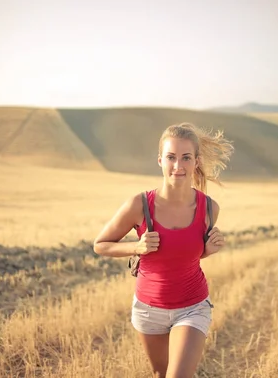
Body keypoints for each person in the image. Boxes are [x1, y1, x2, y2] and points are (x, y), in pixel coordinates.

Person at [93, 122, 234, 378]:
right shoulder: (139, 205)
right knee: (161, 374)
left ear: (196, 161)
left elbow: (183, 257)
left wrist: (207, 251)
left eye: (186, 158)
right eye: (171, 157)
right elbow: (100, 245)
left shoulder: (210, 209)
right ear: (160, 160)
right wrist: (136, 246)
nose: (178, 166)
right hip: (149, 309)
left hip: (192, 307)